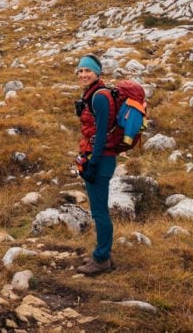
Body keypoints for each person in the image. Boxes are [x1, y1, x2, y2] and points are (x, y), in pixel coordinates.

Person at [73, 53, 118, 276]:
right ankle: (104, 253)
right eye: (80, 71)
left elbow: (101, 135)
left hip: (100, 159)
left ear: (97, 73)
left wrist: (93, 163)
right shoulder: (92, 94)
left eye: (87, 70)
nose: (83, 74)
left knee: (99, 212)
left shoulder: (99, 96)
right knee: (100, 209)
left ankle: (101, 259)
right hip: (98, 157)